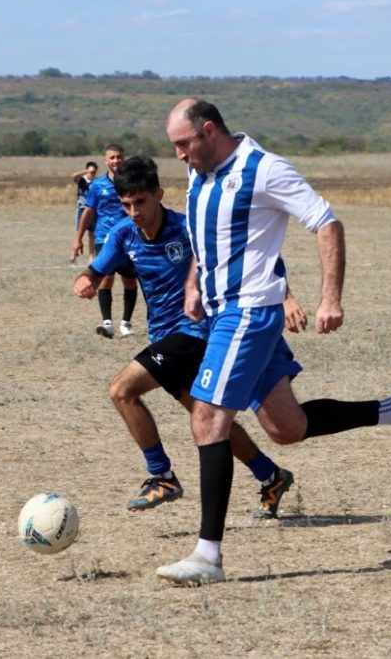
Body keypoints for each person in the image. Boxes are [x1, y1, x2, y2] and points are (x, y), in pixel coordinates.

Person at [156, 99, 391, 586]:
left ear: (209, 130)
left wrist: (330, 297)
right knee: (287, 428)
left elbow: (327, 223)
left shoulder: (264, 170)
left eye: (184, 143)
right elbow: (208, 238)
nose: (180, 155)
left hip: (249, 313)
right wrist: (192, 284)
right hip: (220, 312)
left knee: (207, 417)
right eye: (175, 147)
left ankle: (208, 557)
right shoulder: (199, 171)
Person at [74, 156, 302, 518]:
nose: (134, 212)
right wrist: (86, 278)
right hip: (166, 336)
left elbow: (252, 257)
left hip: (196, 332)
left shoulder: (187, 229)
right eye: (126, 204)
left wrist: (286, 297)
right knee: (208, 419)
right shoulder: (123, 233)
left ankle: (161, 475)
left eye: (141, 202)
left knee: (122, 390)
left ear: (159, 195)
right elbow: (98, 266)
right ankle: (270, 475)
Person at [71, 144, 138, 338]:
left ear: (124, 158)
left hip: (130, 237)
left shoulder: (131, 182)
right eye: (112, 157)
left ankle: (126, 323)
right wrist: (78, 238)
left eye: (119, 157)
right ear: (105, 161)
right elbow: (88, 211)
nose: (116, 160)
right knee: (105, 279)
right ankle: (107, 323)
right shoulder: (97, 185)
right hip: (104, 238)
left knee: (129, 280)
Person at [72, 160, 98, 228]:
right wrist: (87, 171)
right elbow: (74, 175)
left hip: (93, 208)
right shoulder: (81, 179)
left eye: (94, 172)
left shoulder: (97, 182)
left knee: (92, 231)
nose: (92, 173)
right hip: (82, 207)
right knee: (80, 229)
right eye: (91, 172)